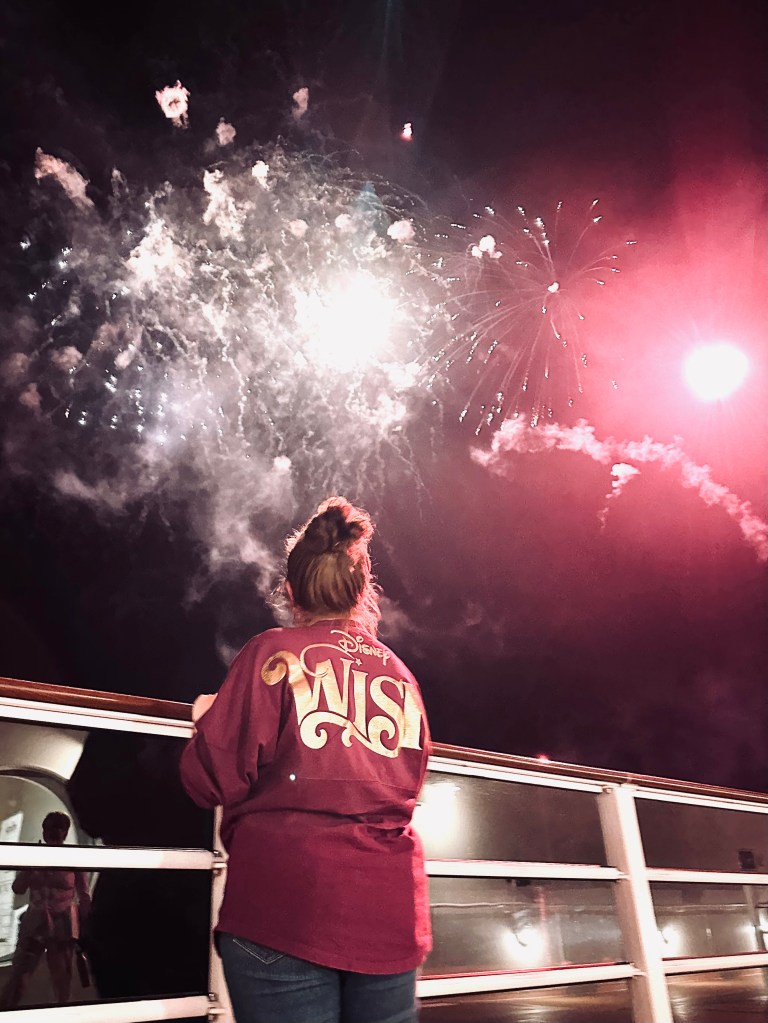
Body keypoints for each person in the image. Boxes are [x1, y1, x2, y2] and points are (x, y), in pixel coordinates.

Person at [180, 497, 431, 1023]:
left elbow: (209, 779)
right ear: (363, 590)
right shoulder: (400, 675)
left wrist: (210, 720)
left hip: (285, 905)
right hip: (388, 911)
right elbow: (408, 780)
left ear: (290, 591)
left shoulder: (272, 653)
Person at [0, 811, 91, 1010]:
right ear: (44, 830)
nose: (55, 835)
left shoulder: (73, 858)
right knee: (18, 979)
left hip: (62, 926)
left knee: (62, 985)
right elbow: (18, 888)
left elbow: (84, 895)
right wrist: (30, 868)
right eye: (51, 830)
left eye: (59, 831)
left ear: (65, 833)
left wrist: (86, 929)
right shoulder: (33, 855)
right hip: (35, 924)